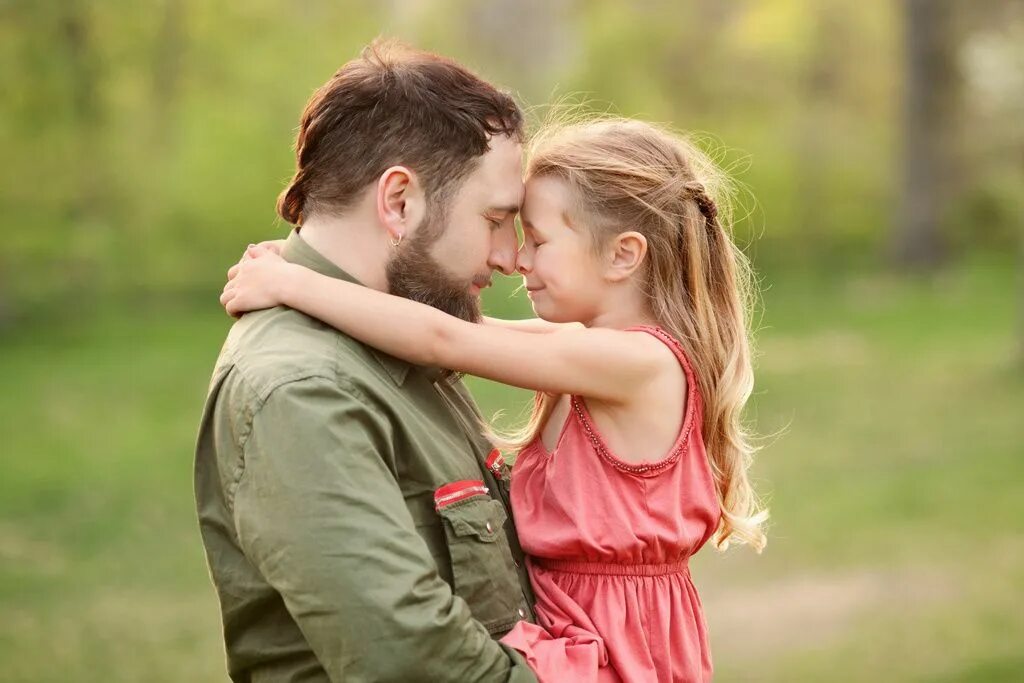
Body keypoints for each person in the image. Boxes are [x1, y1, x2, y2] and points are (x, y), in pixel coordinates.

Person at [221, 116, 770, 682]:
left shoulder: (639, 364)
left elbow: (447, 339)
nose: (519, 260)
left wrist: (296, 285)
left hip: (617, 638)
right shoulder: (586, 350)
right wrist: (325, 272)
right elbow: (454, 325)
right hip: (575, 622)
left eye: (539, 240)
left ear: (622, 256)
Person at [195, 39, 541, 682]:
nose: (510, 257)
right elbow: (415, 661)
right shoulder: (300, 391)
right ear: (399, 201)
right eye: (496, 219)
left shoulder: (408, 329)